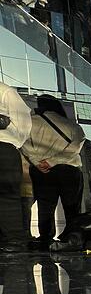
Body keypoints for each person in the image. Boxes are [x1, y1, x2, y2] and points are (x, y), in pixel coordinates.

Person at [20, 95, 86, 251]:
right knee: (72, 208)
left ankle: (45, 239)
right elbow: (76, 146)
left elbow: (23, 143)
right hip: (69, 170)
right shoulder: (72, 125)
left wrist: (38, 162)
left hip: (42, 171)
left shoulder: (31, 122)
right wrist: (54, 160)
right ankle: (72, 239)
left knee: (46, 207)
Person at [0, 82, 32, 253]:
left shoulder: (4, 91)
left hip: (3, 148)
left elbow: (23, 123)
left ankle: (13, 242)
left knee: (7, 197)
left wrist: (14, 141)